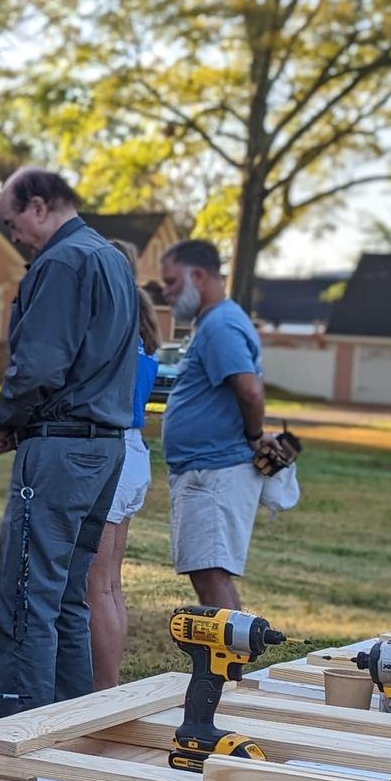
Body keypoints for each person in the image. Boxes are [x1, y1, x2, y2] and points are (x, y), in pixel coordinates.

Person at [0, 168, 138, 715]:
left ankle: (18, 732)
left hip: (60, 448)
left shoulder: (62, 262)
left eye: (13, 222)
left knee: (27, 595)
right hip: (106, 446)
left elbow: (40, 364)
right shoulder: (112, 259)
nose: (13, 236)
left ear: (40, 206)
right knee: (69, 596)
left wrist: (3, 419)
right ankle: (72, 726)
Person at [159, 238, 275, 612]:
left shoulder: (220, 326)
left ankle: (229, 668)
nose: (166, 292)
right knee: (206, 574)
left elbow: (249, 390)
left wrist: (256, 437)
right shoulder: (214, 322)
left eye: (172, 282)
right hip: (204, 470)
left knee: (211, 575)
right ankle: (225, 664)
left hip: (215, 472)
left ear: (198, 276)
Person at [87, 239, 162, 689]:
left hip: (113, 453)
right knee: (111, 583)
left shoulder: (110, 325)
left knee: (95, 587)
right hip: (136, 453)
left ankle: (103, 687)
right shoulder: (141, 327)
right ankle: (105, 683)